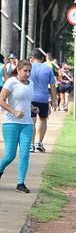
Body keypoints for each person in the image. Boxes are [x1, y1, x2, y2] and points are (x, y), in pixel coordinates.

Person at [0, 59, 39, 192]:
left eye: (29, 71)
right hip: (11, 123)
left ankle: (20, 183)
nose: (28, 74)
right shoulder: (11, 82)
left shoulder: (31, 83)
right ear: (18, 70)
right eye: (25, 71)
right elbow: (1, 100)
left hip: (27, 124)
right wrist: (14, 112)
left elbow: (26, 100)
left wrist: (33, 108)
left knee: (24, 154)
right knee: (10, 155)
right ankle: (0, 170)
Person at [29, 49, 58, 153]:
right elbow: (53, 86)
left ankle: (31, 145)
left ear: (32, 58)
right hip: (43, 98)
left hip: (30, 98)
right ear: (42, 59)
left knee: (32, 121)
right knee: (43, 120)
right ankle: (39, 143)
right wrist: (55, 100)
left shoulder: (28, 68)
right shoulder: (48, 69)